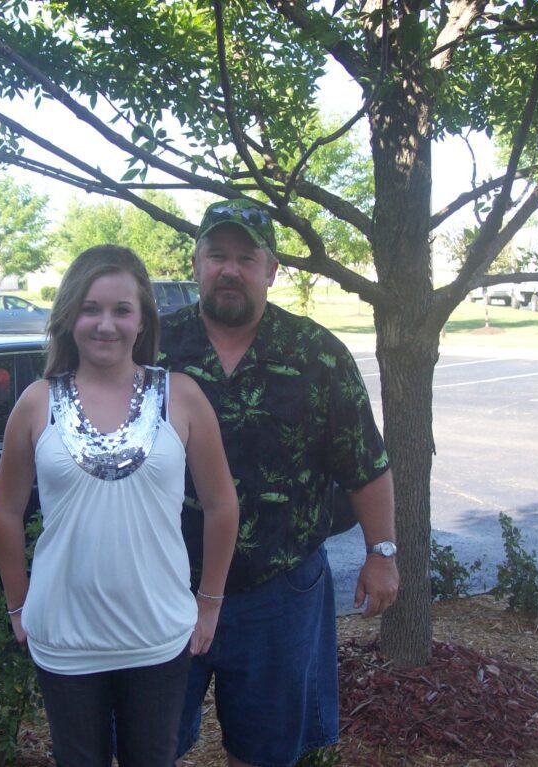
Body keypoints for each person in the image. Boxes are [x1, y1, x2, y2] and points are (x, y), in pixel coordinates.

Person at [159, 199, 399, 767]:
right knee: (149, 745)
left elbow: (364, 463)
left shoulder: (318, 356)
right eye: (217, 255)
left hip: (279, 592)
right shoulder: (150, 349)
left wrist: (382, 552)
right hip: (162, 587)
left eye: (247, 257)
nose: (230, 269)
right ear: (195, 263)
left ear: (271, 270)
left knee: (267, 752)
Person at [0, 244, 239, 767]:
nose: (106, 325)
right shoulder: (37, 402)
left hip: (156, 634)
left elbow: (221, 504)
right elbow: (5, 510)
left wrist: (209, 602)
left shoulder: (182, 397)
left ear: (143, 318)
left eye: (121, 310)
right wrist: (19, 604)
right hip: (64, 635)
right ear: (68, 317)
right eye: (91, 308)